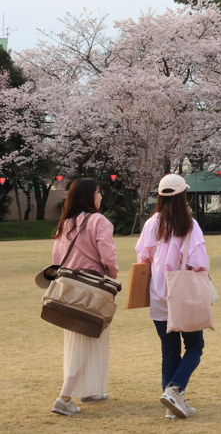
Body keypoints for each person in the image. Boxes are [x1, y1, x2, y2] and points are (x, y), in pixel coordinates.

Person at [135, 174, 210, 420]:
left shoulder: (151, 224)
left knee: (169, 351)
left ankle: (171, 401)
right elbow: (198, 263)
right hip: (185, 296)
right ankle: (174, 390)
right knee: (195, 346)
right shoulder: (189, 224)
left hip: (158, 294)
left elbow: (142, 258)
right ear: (182, 196)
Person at [48, 178, 119, 416]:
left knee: (81, 341)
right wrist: (112, 276)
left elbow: (57, 260)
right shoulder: (99, 220)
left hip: (69, 290)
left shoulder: (65, 224)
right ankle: (64, 397)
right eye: (99, 193)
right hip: (93, 289)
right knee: (89, 340)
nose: (101, 197)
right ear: (90, 196)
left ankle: (92, 390)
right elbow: (109, 257)